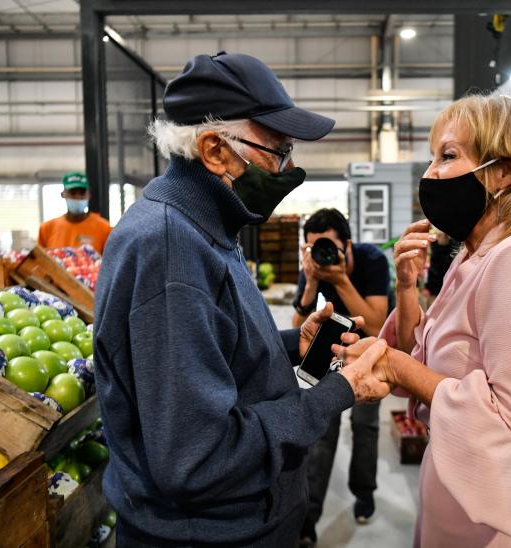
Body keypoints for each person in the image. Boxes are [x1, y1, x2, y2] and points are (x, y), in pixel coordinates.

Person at [94, 52, 390, 547]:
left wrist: (293, 343)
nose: (290, 168)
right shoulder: (171, 252)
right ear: (214, 150)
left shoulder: (206, 226)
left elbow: (205, 352)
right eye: (277, 151)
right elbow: (199, 458)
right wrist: (339, 392)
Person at [334, 94, 511, 546]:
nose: (430, 173)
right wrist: (407, 288)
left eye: (448, 156)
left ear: (504, 171)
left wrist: (394, 366)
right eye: (433, 157)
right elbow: (430, 351)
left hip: (509, 513)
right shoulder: (474, 254)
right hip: (465, 486)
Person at [290, 208, 390, 544]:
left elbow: (377, 325)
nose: (322, 254)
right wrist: (311, 286)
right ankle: (309, 517)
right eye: (313, 248)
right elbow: (296, 333)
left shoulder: (371, 260)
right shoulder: (314, 264)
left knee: (365, 426)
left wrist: (339, 280)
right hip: (329, 348)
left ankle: (364, 492)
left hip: (368, 350)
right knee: (320, 432)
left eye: (329, 246)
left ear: (347, 244)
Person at [38, 172, 112, 254]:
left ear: (89, 195)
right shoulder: (46, 229)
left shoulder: (104, 228)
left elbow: (111, 262)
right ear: (63, 194)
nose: (77, 197)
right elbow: (39, 262)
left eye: (82, 193)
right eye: (72, 193)